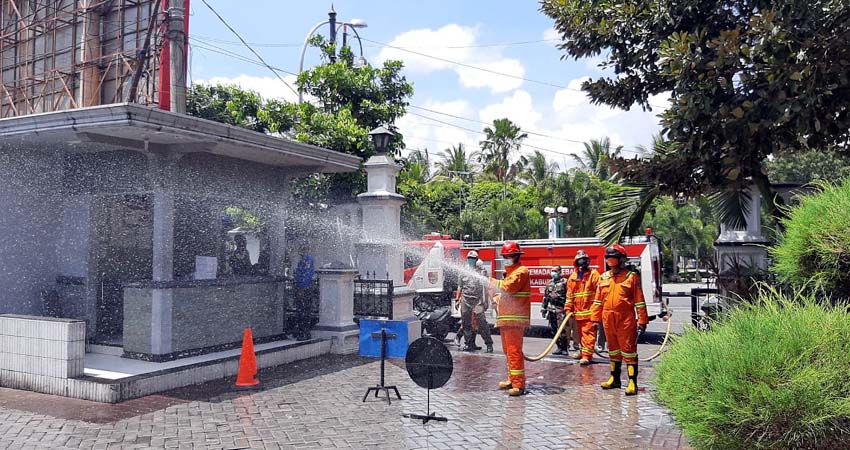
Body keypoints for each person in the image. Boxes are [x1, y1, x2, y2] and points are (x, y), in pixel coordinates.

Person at [591, 244, 648, 395]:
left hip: (626, 319)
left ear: (621, 260)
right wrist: (595, 320)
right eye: (609, 258)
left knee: (629, 351)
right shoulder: (603, 277)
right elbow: (597, 301)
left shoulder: (631, 277)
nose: (611, 261)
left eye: (614, 258)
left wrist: (642, 320)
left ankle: (632, 382)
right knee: (613, 351)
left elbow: (639, 300)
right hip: (608, 319)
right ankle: (615, 379)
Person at [489, 241, 531, 396]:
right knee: (508, 351)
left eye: (509, 256)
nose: (506, 259)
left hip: (515, 319)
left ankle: (519, 385)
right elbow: (506, 293)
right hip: (506, 318)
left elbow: (508, 287)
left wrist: (490, 281)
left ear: (515, 256)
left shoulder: (521, 272)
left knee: (514, 352)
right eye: (505, 256)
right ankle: (512, 378)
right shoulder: (510, 273)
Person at [565, 250, 601, 365]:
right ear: (576, 263)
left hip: (590, 312)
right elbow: (570, 295)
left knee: (588, 334)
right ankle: (583, 351)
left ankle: (587, 356)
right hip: (578, 313)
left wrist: (597, 312)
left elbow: (600, 294)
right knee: (580, 334)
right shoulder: (573, 277)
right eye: (581, 261)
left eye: (585, 261)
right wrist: (568, 309)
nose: (583, 264)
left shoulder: (594, 275)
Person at [456, 251, 494, 353]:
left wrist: (489, 300)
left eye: (472, 259)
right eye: (469, 258)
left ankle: (489, 344)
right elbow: (460, 287)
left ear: (476, 260)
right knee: (466, 323)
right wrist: (457, 300)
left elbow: (487, 286)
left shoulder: (482, 271)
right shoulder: (463, 271)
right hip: (466, 301)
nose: (470, 260)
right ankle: (468, 344)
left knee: (482, 323)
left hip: (478, 302)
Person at [540, 265, 569, 355]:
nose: (553, 273)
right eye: (552, 271)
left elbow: (569, 296)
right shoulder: (549, 283)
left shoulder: (565, 282)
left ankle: (564, 348)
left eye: (555, 271)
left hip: (560, 309)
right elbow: (546, 296)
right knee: (553, 330)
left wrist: (567, 307)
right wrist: (543, 308)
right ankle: (558, 347)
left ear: (560, 272)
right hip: (551, 310)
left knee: (562, 330)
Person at [293, 247, 316, 341]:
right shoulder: (304, 259)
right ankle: (303, 332)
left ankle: (303, 332)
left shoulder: (307, 259)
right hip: (303, 287)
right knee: (303, 310)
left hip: (304, 288)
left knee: (303, 311)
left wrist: (302, 288)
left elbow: (306, 274)